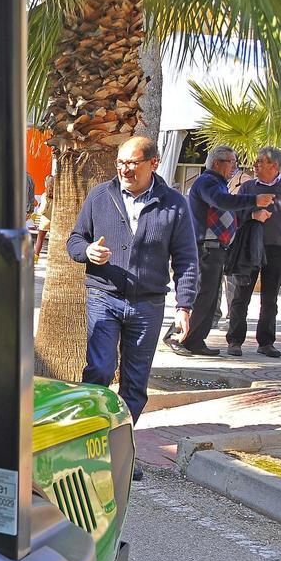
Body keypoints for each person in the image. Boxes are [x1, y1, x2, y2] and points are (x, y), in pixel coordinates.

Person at [67, 136, 198, 423]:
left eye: (132, 163)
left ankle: (120, 445)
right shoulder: (100, 196)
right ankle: (91, 436)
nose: (125, 170)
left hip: (147, 305)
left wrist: (184, 306)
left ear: (153, 163)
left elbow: (187, 258)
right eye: (120, 163)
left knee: (135, 385)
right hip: (104, 297)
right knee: (99, 370)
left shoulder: (174, 204)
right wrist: (87, 251)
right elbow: (75, 239)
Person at [168, 145, 272, 357]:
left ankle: (195, 340)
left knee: (210, 296)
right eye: (231, 162)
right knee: (200, 295)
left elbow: (228, 211)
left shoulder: (219, 184)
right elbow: (221, 201)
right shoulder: (207, 182)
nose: (235, 167)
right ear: (217, 163)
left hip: (217, 248)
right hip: (205, 247)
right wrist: (254, 200)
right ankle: (175, 336)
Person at [226, 147, 281, 358]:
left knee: (270, 298)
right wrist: (253, 214)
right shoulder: (248, 186)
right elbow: (236, 212)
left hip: (277, 248)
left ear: (274, 166)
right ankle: (235, 340)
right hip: (249, 246)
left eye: (260, 162)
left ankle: (266, 342)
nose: (256, 165)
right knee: (241, 295)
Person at [34, 174, 54, 263]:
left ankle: (35, 258)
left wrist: (39, 209)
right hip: (54, 221)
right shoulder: (57, 195)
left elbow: (42, 210)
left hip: (45, 221)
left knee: (39, 241)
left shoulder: (45, 195)